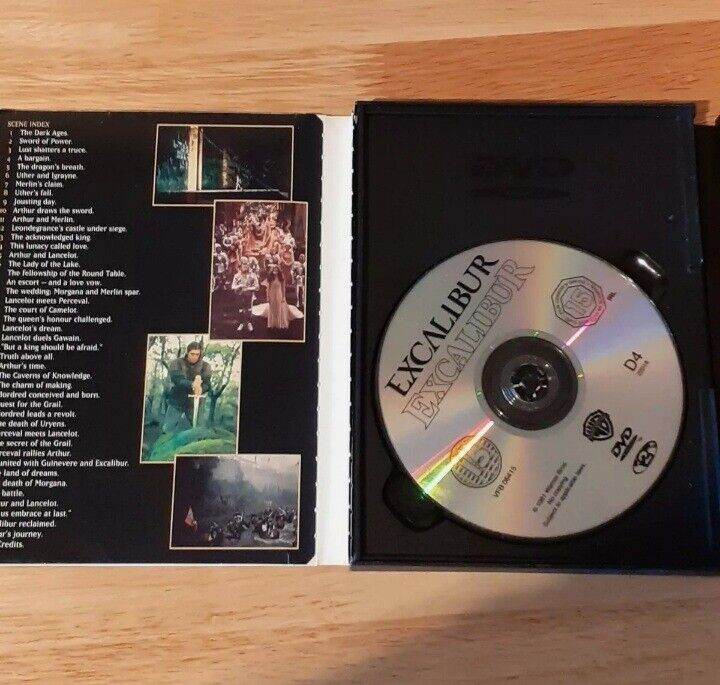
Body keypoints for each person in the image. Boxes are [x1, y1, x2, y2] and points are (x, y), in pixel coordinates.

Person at [163, 341, 212, 432]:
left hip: (195, 402)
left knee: (198, 430)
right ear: (187, 352)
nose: (195, 357)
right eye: (192, 354)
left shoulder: (205, 366)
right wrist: (193, 384)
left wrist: (201, 389)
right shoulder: (176, 363)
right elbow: (177, 380)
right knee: (168, 429)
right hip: (177, 400)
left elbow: (207, 384)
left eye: (197, 354)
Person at [231, 256, 260, 332]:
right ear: (240, 266)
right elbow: (233, 286)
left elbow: (257, 287)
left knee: (249, 309)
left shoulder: (253, 275)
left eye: (246, 264)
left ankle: (249, 322)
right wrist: (239, 286)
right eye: (243, 264)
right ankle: (241, 323)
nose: (245, 266)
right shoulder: (237, 275)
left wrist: (249, 288)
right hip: (239, 295)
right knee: (240, 309)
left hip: (249, 295)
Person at [266, 262, 290, 330]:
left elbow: (283, 288)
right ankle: (272, 324)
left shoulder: (281, 278)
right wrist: (268, 297)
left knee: (279, 308)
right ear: (272, 270)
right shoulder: (270, 278)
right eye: (274, 270)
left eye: (276, 270)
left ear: (278, 270)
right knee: (272, 308)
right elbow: (268, 288)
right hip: (271, 294)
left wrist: (283, 297)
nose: (275, 271)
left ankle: (279, 324)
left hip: (279, 294)